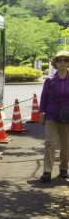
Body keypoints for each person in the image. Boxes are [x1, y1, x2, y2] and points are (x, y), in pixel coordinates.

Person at [38, 50, 69, 182]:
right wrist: (41, 113)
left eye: (65, 60)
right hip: (51, 116)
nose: (62, 62)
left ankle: (63, 168)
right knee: (50, 143)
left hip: (68, 117)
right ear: (55, 62)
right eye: (59, 60)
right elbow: (43, 97)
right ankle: (47, 171)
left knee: (66, 145)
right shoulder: (49, 80)